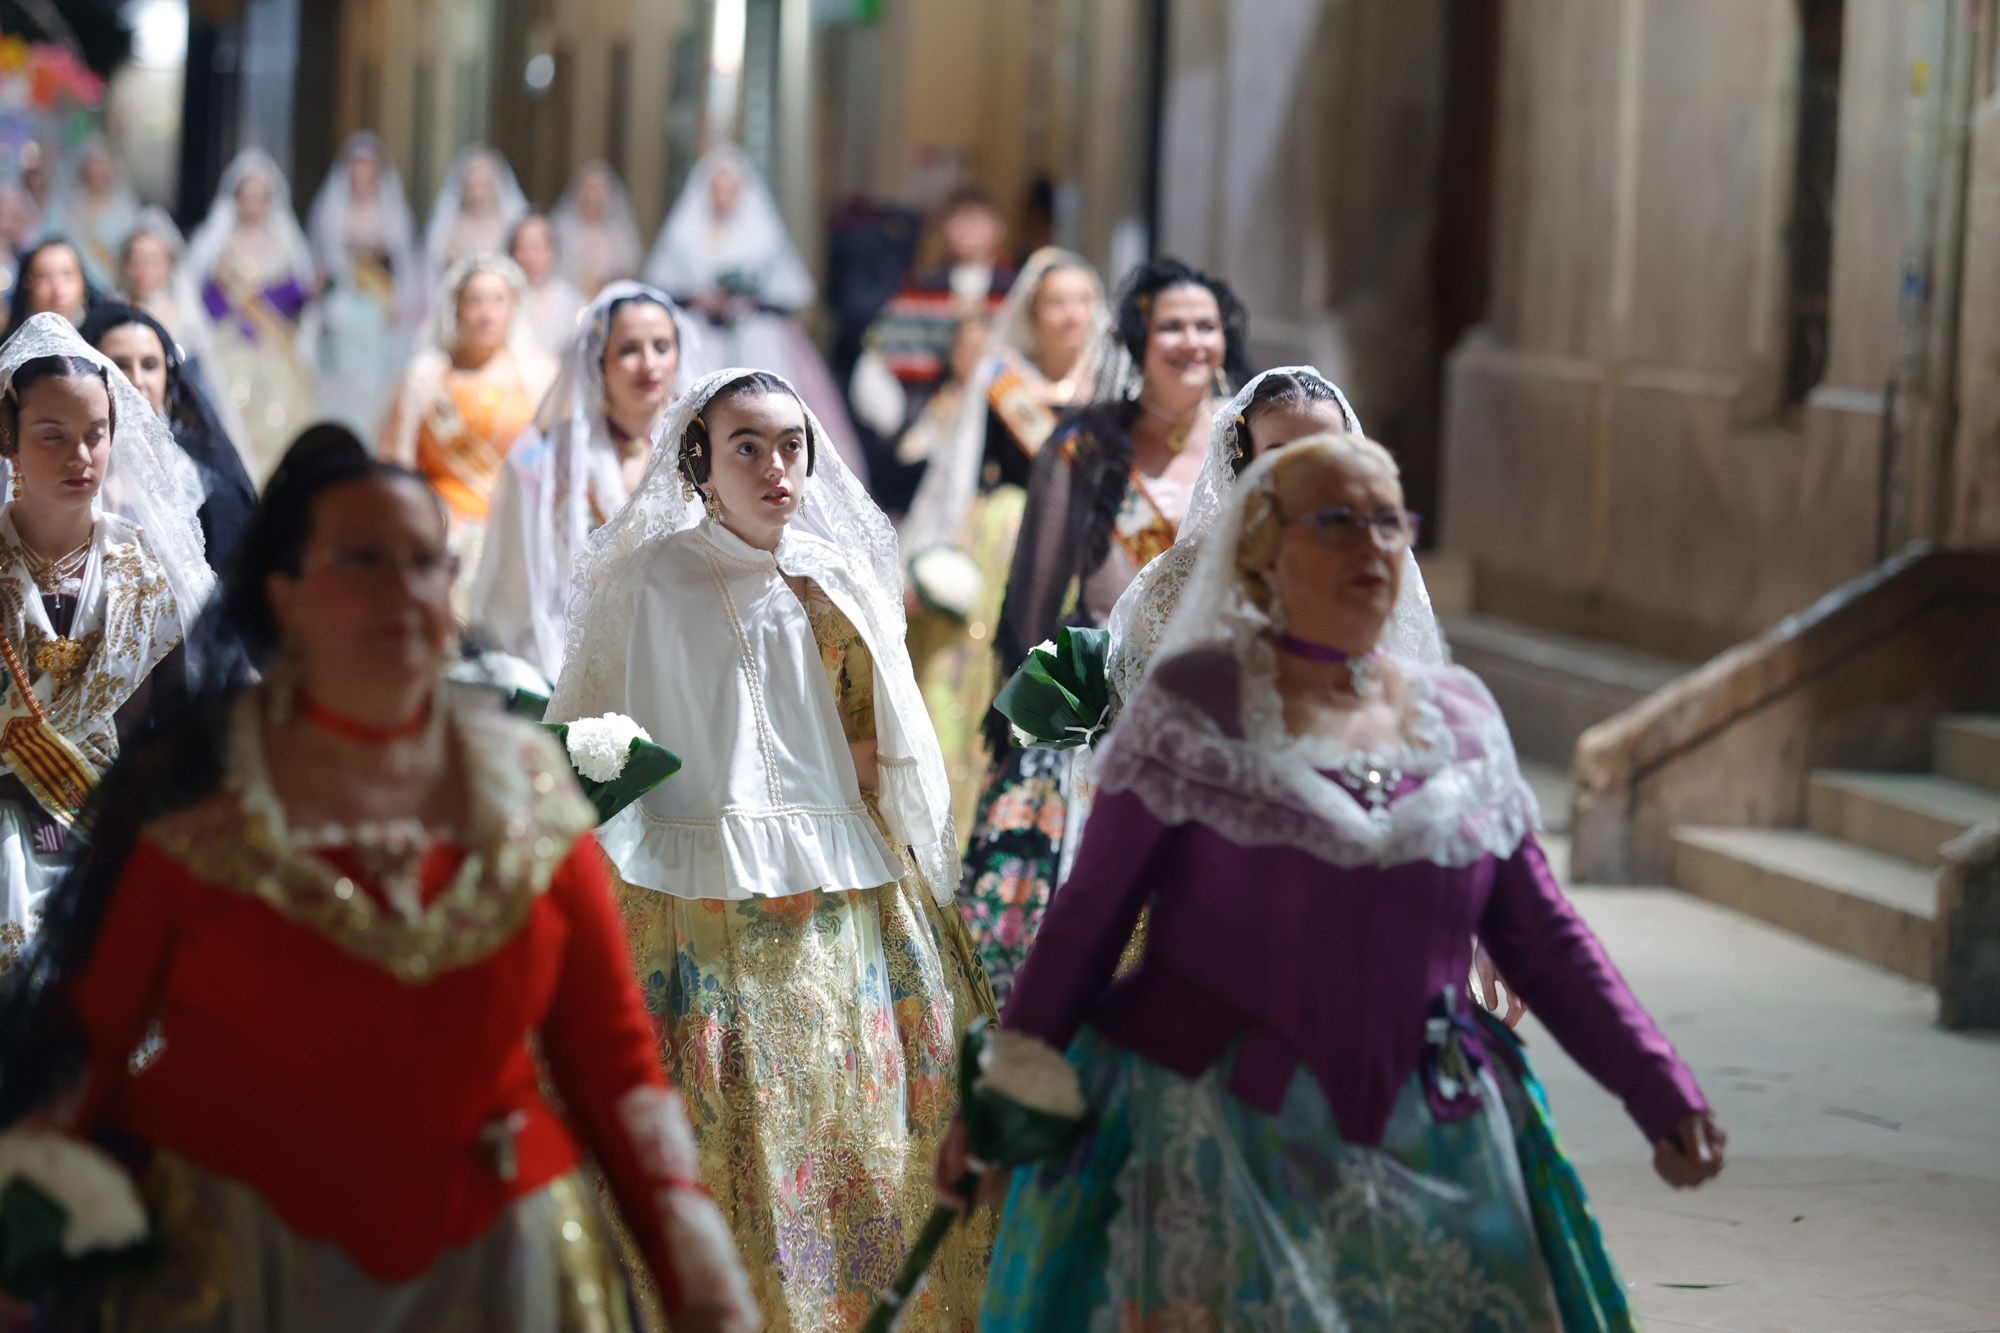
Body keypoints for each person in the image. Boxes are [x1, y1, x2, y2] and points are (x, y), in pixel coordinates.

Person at [945, 433, 1726, 1328]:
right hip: (1220, 1134)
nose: (1373, 545)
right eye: (1337, 522)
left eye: (1390, 521)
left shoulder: (1461, 718)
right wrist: (1007, 1095)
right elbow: (1089, 920)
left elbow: (1543, 935)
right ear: (1262, 555)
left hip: (1438, 1128)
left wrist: (1658, 1084)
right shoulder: (1192, 708)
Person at [0, 426, 761, 1330]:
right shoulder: (199, 791)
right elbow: (87, 1039)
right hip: (235, 1265)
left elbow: (611, 1064)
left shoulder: (524, 785)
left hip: (499, 1266)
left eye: (427, 562)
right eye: (364, 559)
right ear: (283, 591)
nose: (404, 589)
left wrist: (700, 1280)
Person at [548, 368, 996, 1329]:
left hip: (847, 882)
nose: (774, 467)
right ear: (700, 462)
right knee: (727, 1122)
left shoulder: (836, 576)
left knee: (856, 1120)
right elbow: (599, 730)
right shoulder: (653, 578)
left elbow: (881, 738)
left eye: (791, 445)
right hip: (692, 888)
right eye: (745, 446)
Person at [957, 257, 1244, 1001]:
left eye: (1206, 325)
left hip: (1218, 710)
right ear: (1140, 337)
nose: (1192, 342)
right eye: (1172, 326)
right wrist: (1028, 722)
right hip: (1100, 713)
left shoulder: (1247, 441)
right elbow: (1034, 598)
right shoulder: (1085, 444)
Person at [0, 314, 215, 972]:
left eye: (95, 434)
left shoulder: (148, 571)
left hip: (117, 835)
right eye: (53, 436)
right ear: (8, 438)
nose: (81, 456)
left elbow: (182, 722)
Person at [899, 248, 1107, 835]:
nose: (1071, 314)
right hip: (1007, 536)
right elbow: (958, 471)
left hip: (1087, 540)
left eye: (1081, 301)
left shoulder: (1113, 384)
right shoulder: (1002, 379)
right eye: (1057, 302)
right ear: (1033, 312)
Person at [469, 281, 697, 682]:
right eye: (629, 350)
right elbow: (519, 589)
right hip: (577, 651)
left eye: (662, 347)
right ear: (598, 359)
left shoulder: (700, 449)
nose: (649, 365)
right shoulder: (547, 459)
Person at [643, 146, 867, 483]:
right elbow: (667, 285)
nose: (723, 194)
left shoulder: (761, 231)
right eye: (717, 186)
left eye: (730, 186)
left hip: (754, 335)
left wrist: (745, 300)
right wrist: (703, 299)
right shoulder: (686, 231)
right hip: (702, 334)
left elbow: (787, 289)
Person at [382, 253, 554, 612]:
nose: (486, 313)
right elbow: (397, 463)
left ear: (514, 307)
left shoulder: (539, 378)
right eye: (475, 301)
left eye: (498, 300)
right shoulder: (426, 379)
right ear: (457, 307)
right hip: (443, 528)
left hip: (519, 524)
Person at [850, 185, 1018, 500]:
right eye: (960, 220)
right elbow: (878, 354)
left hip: (1002, 416)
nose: (969, 230)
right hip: (932, 415)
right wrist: (894, 416)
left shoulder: (1017, 291)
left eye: (978, 219)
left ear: (998, 227)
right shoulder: (921, 289)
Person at [80, 302, 258, 577]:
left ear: (167, 377)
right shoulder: (69, 467)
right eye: (120, 365)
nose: (137, 380)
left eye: (149, 365)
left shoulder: (200, 484)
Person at [187, 147, 319, 482]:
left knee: (278, 413)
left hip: (273, 344)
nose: (252, 204)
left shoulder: (284, 241)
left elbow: (295, 295)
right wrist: (230, 310)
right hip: (229, 343)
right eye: (246, 196)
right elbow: (202, 296)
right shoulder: (218, 241)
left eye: (259, 197)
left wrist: (299, 295)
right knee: (229, 407)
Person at [307, 131, 422, 438]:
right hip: (341, 313)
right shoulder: (331, 213)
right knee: (341, 382)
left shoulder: (392, 214)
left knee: (374, 385)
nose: (362, 176)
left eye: (368, 169)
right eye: (356, 169)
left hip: (378, 315)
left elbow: (404, 267)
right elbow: (320, 263)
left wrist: (399, 301)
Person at [424, 145, 528, 289]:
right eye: (472, 185)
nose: (479, 194)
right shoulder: (448, 228)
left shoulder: (513, 225)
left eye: (485, 185)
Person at [43, 137, 138, 292]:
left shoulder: (126, 210)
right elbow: (51, 240)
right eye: (93, 164)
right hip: (69, 288)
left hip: (112, 287)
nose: (97, 171)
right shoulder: (66, 206)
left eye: (102, 164)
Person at [552, 161, 643, 299]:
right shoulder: (561, 230)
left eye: (599, 189)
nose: (593, 196)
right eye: (589, 188)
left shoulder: (620, 235)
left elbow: (628, 271)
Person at [510, 212, 588, 357]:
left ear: (551, 250)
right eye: (522, 247)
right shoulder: (508, 298)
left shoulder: (570, 298)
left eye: (536, 246)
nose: (530, 255)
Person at [2, 239, 94, 341]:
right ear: (28, 284)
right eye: (45, 277)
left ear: (83, 279)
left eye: (68, 274)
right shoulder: (9, 345)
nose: (59, 290)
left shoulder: (102, 338)